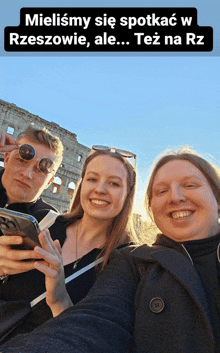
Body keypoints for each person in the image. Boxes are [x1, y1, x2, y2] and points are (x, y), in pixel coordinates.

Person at [1, 146, 220, 353]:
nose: (175, 197)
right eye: (162, 190)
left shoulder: (125, 255)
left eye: (191, 185)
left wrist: (59, 300)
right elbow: (93, 325)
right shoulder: (133, 264)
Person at [0, 145, 137, 342]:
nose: (100, 189)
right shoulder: (42, 222)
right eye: (92, 179)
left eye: (114, 184)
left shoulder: (126, 262)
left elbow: (99, 339)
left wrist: (60, 300)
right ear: (82, 185)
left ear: (128, 193)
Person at [0, 126, 63, 282]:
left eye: (41, 169)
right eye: (22, 160)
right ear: (6, 159)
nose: (27, 174)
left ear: (49, 181)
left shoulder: (52, 224)